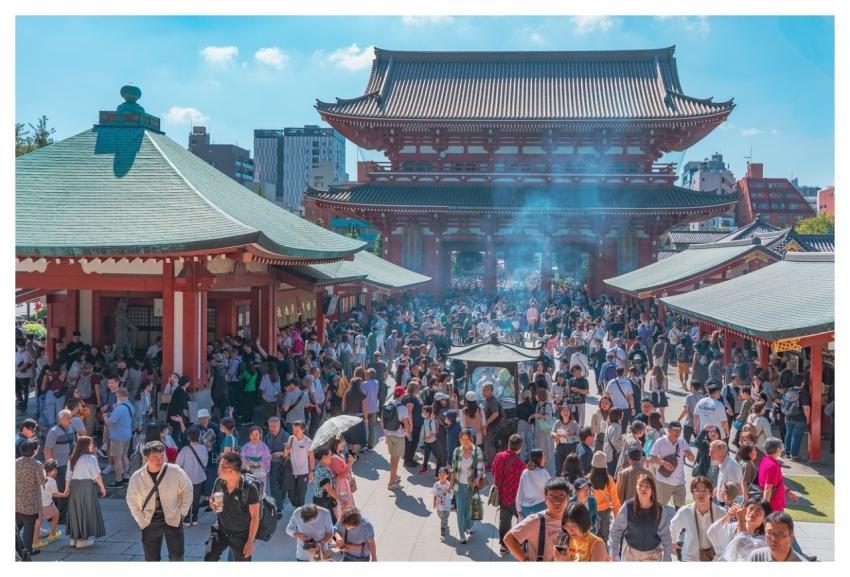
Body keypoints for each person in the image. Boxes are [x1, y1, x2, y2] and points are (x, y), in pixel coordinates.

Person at [126, 440, 193, 561]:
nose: (160, 460)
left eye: (162, 456)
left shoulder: (175, 470)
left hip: (173, 518)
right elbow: (131, 499)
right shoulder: (137, 476)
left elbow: (187, 489)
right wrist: (140, 519)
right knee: (151, 559)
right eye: (155, 457)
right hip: (149, 520)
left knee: (177, 556)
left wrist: (183, 512)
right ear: (146, 459)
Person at [205, 452, 261, 561]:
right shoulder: (219, 482)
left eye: (221, 466)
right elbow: (212, 498)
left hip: (241, 535)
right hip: (221, 530)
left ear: (230, 470)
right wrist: (213, 505)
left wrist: (250, 541)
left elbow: (255, 517)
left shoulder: (249, 488)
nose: (218, 468)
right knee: (209, 556)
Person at [608, 473, 673, 561]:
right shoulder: (628, 507)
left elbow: (666, 535)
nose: (643, 488)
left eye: (647, 486)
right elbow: (616, 530)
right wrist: (613, 551)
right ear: (636, 487)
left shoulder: (660, 510)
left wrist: (667, 556)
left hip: (653, 555)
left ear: (652, 489)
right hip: (630, 554)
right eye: (640, 485)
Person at [505, 477, 572, 562]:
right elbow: (509, 539)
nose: (557, 502)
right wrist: (526, 560)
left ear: (568, 499)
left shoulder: (572, 520)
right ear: (545, 499)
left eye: (561, 498)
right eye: (552, 497)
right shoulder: (536, 521)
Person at [670, 476, 726, 561]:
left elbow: (728, 533)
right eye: (697, 490)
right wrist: (673, 542)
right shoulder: (685, 511)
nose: (701, 494)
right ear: (692, 493)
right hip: (690, 556)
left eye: (704, 490)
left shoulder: (721, 512)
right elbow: (674, 526)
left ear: (711, 493)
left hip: (715, 556)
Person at [65, 436, 107, 548]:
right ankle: (82, 539)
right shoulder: (90, 458)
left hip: (74, 486)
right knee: (86, 510)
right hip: (86, 486)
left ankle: (73, 538)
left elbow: (68, 476)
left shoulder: (73, 458)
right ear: (85, 445)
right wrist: (102, 488)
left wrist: (66, 488)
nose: (92, 446)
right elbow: (97, 475)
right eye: (91, 443)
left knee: (75, 510)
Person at [450, 428, 486, 543]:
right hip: (459, 485)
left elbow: (481, 468)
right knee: (460, 509)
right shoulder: (456, 451)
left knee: (469, 509)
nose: (465, 442)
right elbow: (454, 470)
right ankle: (462, 534)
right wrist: (450, 485)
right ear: (460, 440)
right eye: (463, 439)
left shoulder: (477, 451)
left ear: (471, 439)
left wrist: (478, 477)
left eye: (467, 439)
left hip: (471, 485)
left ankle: (468, 526)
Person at [708, 498, 772, 561]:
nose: (753, 513)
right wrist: (727, 516)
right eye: (750, 508)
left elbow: (741, 547)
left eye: (758, 511)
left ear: (765, 517)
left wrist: (741, 520)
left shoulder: (764, 539)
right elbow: (712, 532)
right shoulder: (734, 526)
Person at [491, 434, 526, 553]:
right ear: (519, 448)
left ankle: (504, 545)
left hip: (502, 495)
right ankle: (521, 542)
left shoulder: (499, 456)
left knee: (504, 521)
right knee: (523, 519)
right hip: (515, 497)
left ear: (508, 444)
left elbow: (493, 472)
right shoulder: (520, 463)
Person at [648, 421, 694, 509]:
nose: (678, 433)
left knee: (680, 510)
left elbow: (692, 459)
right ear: (669, 430)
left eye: (679, 431)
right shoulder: (660, 441)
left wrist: (689, 455)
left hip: (679, 482)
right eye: (675, 430)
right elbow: (652, 457)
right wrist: (664, 463)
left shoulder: (682, 442)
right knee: (659, 508)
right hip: (663, 482)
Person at [43, 409, 76, 524]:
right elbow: (47, 450)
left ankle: (56, 515)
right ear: (61, 419)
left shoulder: (70, 429)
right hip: (58, 466)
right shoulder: (54, 432)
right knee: (61, 491)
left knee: (64, 491)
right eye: (68, 418)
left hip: (68, 464)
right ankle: (60, 517)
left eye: (71, 417)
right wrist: (50, 467)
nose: (70, 420)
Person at [16, 439, 45, 557]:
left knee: (16, 525)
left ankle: (16, 548)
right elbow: (41, 481)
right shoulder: (36, 464)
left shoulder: (15, 462)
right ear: (34, 451)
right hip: (31, 501)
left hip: (16, 500)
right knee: (29, 527)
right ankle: (26, 551)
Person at [175, 427, 209, 526]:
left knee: (186, 498)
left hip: (186, 478)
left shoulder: (185, 450)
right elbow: (205, 463)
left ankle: (186, 519)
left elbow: (178, 464)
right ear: (199, 436)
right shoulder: (203, 448)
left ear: (188, 438)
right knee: (196, 498)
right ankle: (195, 517)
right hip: (199, 477)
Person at [757, 437, 800, 515]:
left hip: (773, 504)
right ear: (777, 450)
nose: (782, 449)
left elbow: (776, 482)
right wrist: (765, 509)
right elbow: (768, 488)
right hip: (774, 506)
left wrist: (788, 492)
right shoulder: (773, 466)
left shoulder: (765, 460)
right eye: (781, 447)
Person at [382, 386, 411, 490]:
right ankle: (391, 483)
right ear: (402, 395)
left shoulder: (387, 405)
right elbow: (406, 424)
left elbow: (382, 421)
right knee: (396, 460)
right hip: (398, 436)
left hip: (389, 435)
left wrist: (386, 433)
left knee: (392, 459)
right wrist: (407, 433)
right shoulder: (402, 408)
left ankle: (394, 476)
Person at [589, 450, 621, 542]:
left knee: (591, 537)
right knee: (603, 538)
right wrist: (617, 516)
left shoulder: (588, 478)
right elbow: (615, 501)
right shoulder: (609, 480)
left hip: (591, 511)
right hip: (604, 513)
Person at [105, 388, 134, 487]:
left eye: (117, 396)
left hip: (117, 436)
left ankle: (118, 480)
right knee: (124, 456)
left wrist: (105, 416)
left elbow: (109, 423)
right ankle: (126, 477)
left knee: (117, 459)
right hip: (127, 434)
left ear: (120, 396)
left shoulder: (119, 408)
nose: (116, 398)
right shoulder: (130, 406)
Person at [283, 421, 314, 508]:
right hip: (291, 472)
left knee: (301, 496)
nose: (294, 433)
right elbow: (285, 455)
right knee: (291, 495)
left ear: (303, 430)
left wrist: (312, 471)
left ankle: (300, 513)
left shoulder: (308, 442)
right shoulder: (291, 439)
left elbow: (311, 457)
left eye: (297, 431)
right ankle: (297, 508)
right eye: (293, 430)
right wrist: (286, 451)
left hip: (303, 473)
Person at [33, 459, 63, 548]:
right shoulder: (51, 481)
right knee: (56, 514)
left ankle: (36, 537)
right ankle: (52, 534)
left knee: (38, 520)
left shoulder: (38, 477)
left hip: (37, 503)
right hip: (47, 504)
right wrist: (64, 495)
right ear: (53, 470)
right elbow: (55, 494)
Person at [264, 416, 290, 515]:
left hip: (283, 464)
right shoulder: (268, 436)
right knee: (274, 486)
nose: (272, 429)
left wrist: (281, 453)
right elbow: (265, 448)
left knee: (281, 486)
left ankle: (279, 505)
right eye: (270, 426)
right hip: (272, 464)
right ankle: (277, 507)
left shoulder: (286, 436)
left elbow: (290, 450)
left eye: (274, 427)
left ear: (279, 425)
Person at [782, 374, 811, 460]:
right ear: (802, 383)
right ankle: (794, 455)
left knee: (789, 433)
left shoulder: (788, 390)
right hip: (800, 418)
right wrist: (808, 419)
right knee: (796, 436)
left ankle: (787, 452)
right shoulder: (803, 393)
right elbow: (806, 408)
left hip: (787, 416)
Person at [516, 449, 551, 518]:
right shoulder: (544, 473)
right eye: (543, 456)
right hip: (541, 507)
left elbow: (520, 493)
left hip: (526, 509)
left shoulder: (525, 473)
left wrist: (518, 508)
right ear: (539, 459)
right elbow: (551, 490)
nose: (545, 458)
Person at [240, 426, 272, 494]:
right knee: (248, 493)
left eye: (256, 434)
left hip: (260, 473)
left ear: (260, 435)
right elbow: (242, 458)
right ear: (249, 436)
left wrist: (254, 463)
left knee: (259, 493)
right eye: (252, 435)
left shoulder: (264, 447)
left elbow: (266, 461)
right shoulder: (245, 447)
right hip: (248, 473)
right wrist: (245, 463)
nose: (254, 436)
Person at [329, 437, 356, 514]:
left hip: (344, 484)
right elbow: (341, 475)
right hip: (341, 486)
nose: (344, 443)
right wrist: (350, 463)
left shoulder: (340, 455)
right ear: (335, 444)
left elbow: (345, 471)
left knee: (346, 504)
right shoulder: (334, 458)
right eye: (341, 442)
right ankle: (345, 520)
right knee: (344, 505)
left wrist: (350, 464)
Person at [552, 404, 579, 477]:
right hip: (559, 447)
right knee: (558, 470)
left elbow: (579, 437)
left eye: (567, 410)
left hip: (571, 448)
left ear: (570, 412)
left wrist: (569, 437)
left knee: (569, 470)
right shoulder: (557, 422)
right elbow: (552, 432)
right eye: (563, 410)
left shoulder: (574, 423)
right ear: (560, 413)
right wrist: (555, 435)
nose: (565, 412)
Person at [481, 383, 504, 470]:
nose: (483, 392)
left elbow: (495, 413)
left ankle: (492, 465)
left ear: (490, 391)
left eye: (485, 390)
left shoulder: (492, 401)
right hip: (490, 427)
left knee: (489, 446)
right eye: (482, 390)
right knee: (488, 446)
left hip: (492, 427)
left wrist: (486, 423)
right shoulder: (488, 400)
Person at [432, 466, 453, 539]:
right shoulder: (436, 484)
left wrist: (449, 491)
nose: (442, 476)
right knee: (440, 515)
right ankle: (443, 522)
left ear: (447, 475)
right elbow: (434, 494)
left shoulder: (448, 484)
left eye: (443, 474)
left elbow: (451, 494)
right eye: (440, 474)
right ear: (438, 476)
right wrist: (434, 502)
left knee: (445, 516)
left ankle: (443, 528)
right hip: (439, 505)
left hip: (447, 505)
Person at [420, 405, 438, 473]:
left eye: (425, 412)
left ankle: (440, 467)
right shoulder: (425, 420)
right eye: (423, 412)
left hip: (432, 442)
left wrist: (427, 437)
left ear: (429, 413)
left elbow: (433, 432)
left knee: (436, 455)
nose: (423, 413)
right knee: (426, 455)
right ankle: (424, 468)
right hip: (426, 442)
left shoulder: (431, 421)